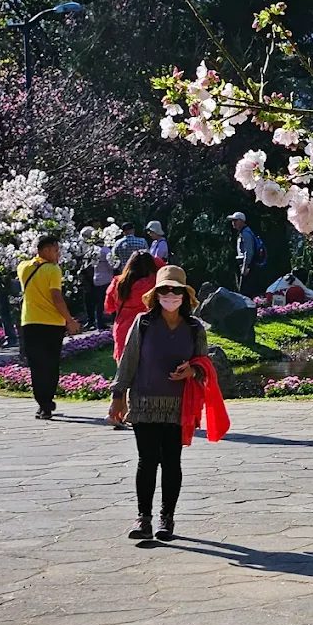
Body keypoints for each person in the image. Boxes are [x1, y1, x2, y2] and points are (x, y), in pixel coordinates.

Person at [108, 265, 211, 542]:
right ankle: (144, 519)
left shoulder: (194, 328)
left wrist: (192, 371)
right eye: (164, 290)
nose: (170, 295)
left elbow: (204, 363)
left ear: (185, 295)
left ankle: (167, 517)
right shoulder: (142, 324)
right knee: (147, 460)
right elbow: (128, 361)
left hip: (179, 403)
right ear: (156, 294)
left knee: (172, 461)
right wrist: (117, 397)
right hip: (144, 402)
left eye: (175, 290)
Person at [18, 235, 81, 420]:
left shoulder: (23, 267)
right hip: (52, 324)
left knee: (36, 365)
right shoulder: (53, 270)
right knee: (51, 364)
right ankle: (47, 401)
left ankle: (42, 403)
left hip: (30, 322)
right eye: (55, 249)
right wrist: (69, 320)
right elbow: (56, 297)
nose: (58, 253)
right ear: (45, 250)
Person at [105, 251, 160, 366]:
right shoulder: (155, 283)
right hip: (148, 329)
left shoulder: (118, 283)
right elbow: (165, 268)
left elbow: (108, 307)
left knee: (125, 375)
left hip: (123, 331)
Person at [229, 212, 263, 295]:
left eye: (235, 220)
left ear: (241, 221)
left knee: (245, 292)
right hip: (248, 265)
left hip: (248, 266)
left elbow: (249, 251)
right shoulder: (245, 232)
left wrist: (245, 267)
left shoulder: (246, 233)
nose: (233, 223)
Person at [90, 231, 114, 328]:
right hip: (106, 278)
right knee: (110, 299)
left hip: (96, 278)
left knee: (99, 303)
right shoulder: (106, 250)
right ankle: (112, 319)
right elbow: (111, 264)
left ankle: (99, 322)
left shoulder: (93, 251)